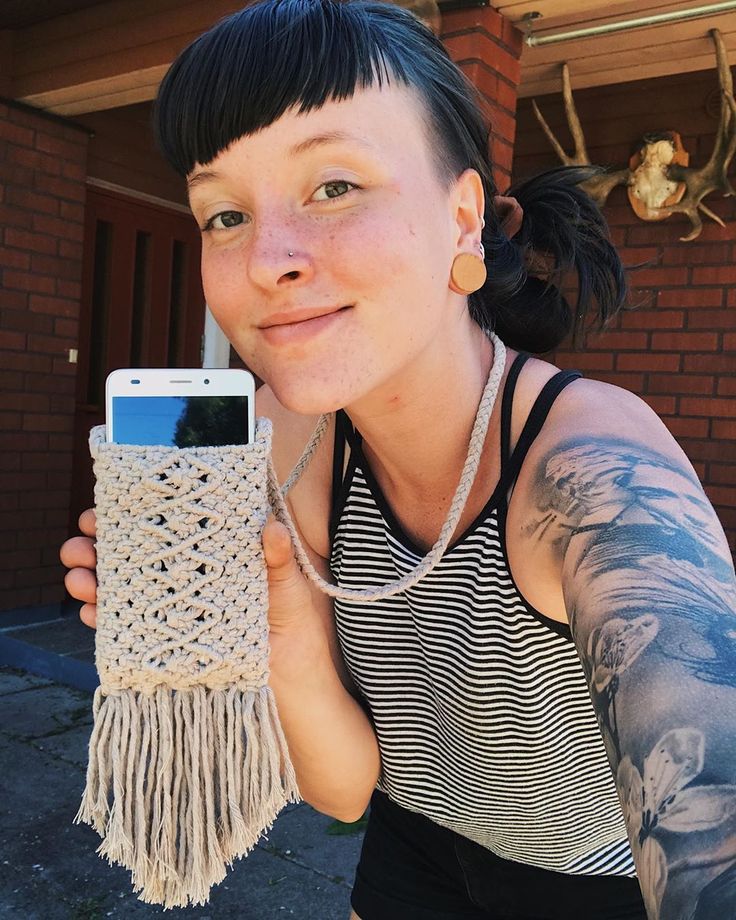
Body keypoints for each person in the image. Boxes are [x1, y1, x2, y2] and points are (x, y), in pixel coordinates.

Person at [60, 2, 736, 918]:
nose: (268, 260)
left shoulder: (591, 471)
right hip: (409, 849)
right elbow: (340, 793)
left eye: (334, 186)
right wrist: (280, 627)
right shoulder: (281, 440)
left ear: (463, 217)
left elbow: (711, 815)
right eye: (224, 212)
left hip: (591, 889)